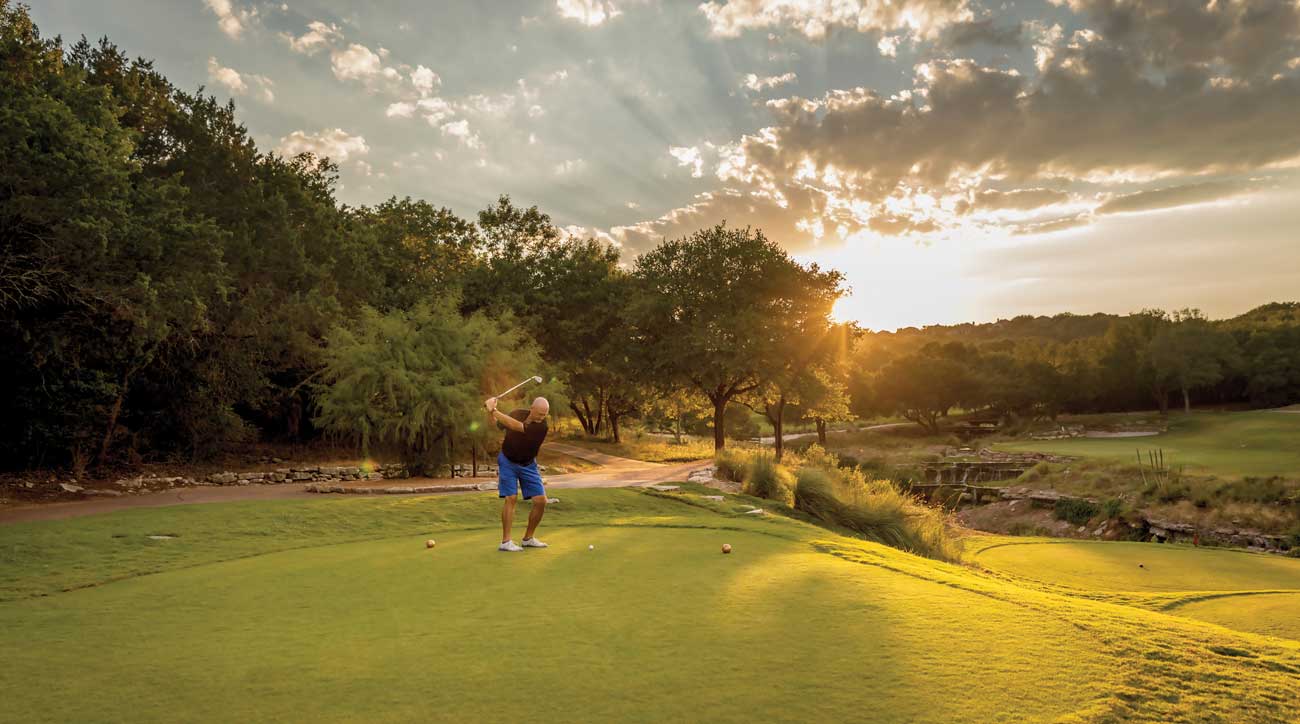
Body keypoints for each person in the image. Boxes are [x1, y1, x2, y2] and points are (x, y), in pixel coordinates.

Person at [485, 395, 550, 552]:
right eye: (540, 413)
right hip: (508, 461)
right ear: (532, 408)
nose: (542, 417)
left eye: (545, 414)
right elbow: (498, 424)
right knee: (511, 498)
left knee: (541, 501)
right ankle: (506, 542)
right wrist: (489, 412)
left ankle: (528, 538)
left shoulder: (542, 427)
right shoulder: (517, 413)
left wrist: (494, 410)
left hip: (528, 464)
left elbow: (515, 426)